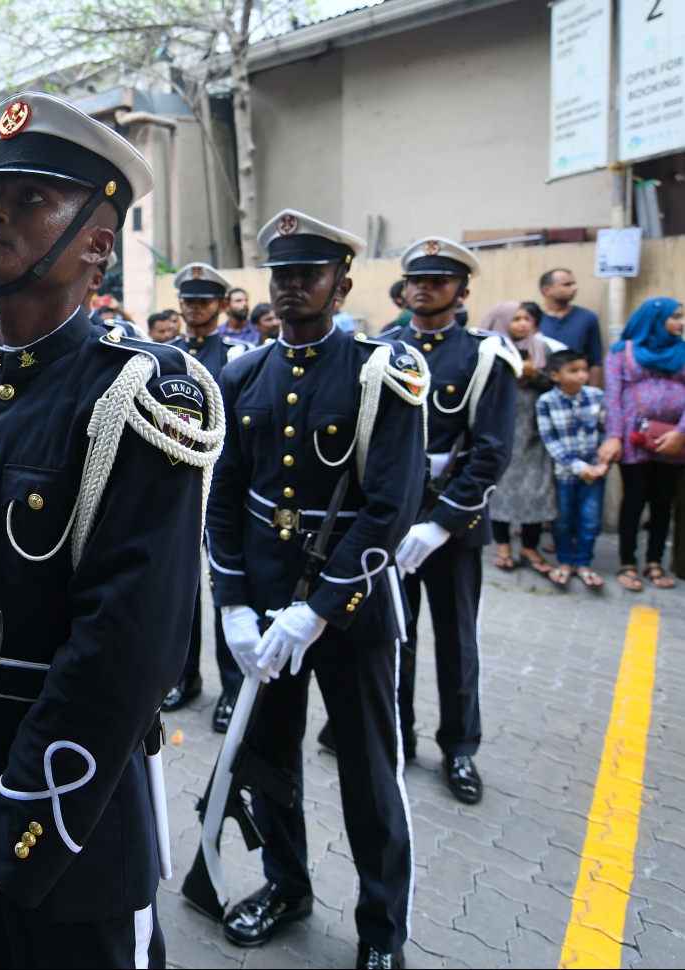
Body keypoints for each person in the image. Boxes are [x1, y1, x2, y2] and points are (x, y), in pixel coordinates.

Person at [0, 92, 221, 967]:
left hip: (68, 828)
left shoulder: (138, 397)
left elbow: (127, 651)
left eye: (31, 198)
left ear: (97, 244)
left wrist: (2, 839)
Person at [206, 209, 425, 968]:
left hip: (351, 611)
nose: (291, 286)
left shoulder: (380, 373)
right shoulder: (243, 375)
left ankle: (382, 930)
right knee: (270, 756)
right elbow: (223, 499)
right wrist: (233, 603)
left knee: (370, 772)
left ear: (343, 285)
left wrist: (321, 609)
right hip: (265, 605)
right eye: (281, 274)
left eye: (309, 274)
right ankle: (286, 884)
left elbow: (391, 506)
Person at [382, 237, 518, 805]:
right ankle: (397, 735)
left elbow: (491, 452)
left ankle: (460, 748)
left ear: (462, 291)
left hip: (452, 524)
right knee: (394, 635)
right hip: (392, 519)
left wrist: (441, 523)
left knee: (457, 639)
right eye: (417, 279)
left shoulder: (484, 355)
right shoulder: (383, 348)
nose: (424, 289)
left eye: (438, 281)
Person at [165, 262, 252, 717]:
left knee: (225, 587)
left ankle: (233, 688)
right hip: (178, 489)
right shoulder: (167, 356)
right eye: (189, 301)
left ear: (220, 305)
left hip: (222, 491)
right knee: (180, 589)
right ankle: (183, 676)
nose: (195, 308)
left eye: (203, 301)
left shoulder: (238, 356)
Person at [600, 297, 685, 590]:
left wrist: (681, 432)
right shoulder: (622, 352)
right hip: (634, 438)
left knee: (663, 502)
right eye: (676, 317)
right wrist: (614, 436)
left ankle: (654, 561)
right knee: (634, 499)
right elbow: (613, 396)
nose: (681, 323)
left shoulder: (682, 351)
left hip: (674, 441)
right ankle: (627, 562)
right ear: (654, 319)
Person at [485, 301, 561, 575]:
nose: (522, 324)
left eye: (526, 318)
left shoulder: (542, 349)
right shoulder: (488, 349)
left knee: (537, 488)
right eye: (515, 319)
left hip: (535, 431)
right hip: (500, 430)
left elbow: (556, 384)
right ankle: (503, 545)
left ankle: (530, 546)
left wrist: (534, 374)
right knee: (500, 488)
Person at [536, 349, 609, 587]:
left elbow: (605, 431)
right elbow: (549, 439)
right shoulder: (546, 402)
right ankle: (565, 561)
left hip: (594, 473)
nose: (581, 375)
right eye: (574, 371)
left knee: (591, 519)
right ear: (555, 375)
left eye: (584, 370)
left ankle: (584, 563)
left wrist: (602, 464)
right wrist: (577, 466)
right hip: (564, 473)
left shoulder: (596, 396)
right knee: (563, 520)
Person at [539, 268, 604, 387]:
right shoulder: (532, 319)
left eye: (574, 283)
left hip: (577, 390)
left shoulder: (587, 317)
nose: (574, 288)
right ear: (547, 290)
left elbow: (595, 361)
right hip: (541, 388)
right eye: (567, 285)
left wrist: (593, 392)